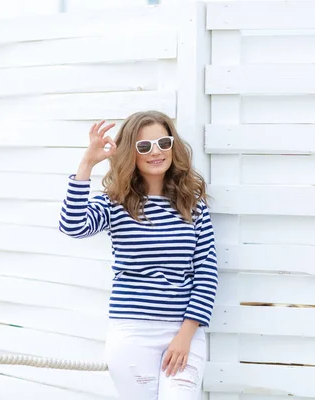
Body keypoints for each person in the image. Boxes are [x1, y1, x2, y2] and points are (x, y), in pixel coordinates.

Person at [58, 111, 218, 399]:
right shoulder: (115, 203)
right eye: (143, 146)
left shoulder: (193, 206)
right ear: (130, 153)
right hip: (133, 331)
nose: (155, 152)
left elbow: (206, 273)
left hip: (184, 331)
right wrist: (87, 163)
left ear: (173, 147)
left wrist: (185, 335)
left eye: (163, 143)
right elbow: (73, 225)